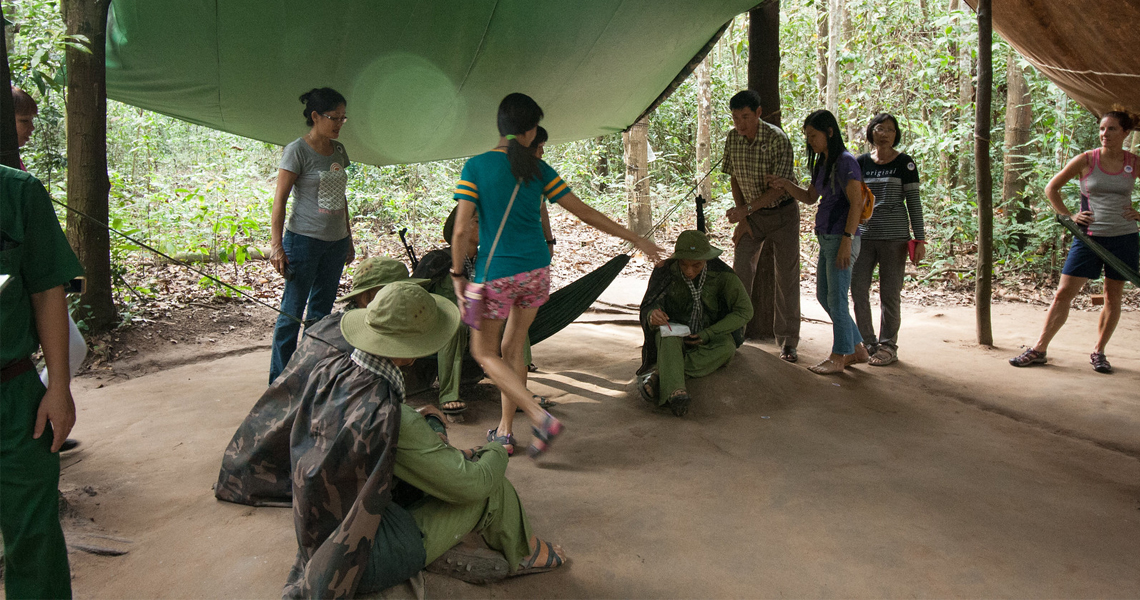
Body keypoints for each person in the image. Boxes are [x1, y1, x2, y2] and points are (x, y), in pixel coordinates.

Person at [283, 283, 565, 598]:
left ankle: (435, 548)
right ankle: (523, 552)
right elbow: (471, 483)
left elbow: (375, 440)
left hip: (319, 536)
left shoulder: (333, 372)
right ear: (411, 354)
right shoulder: (395, 417)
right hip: (361, 560)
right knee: (491, 487)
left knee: (444, 465)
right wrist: (495, 449)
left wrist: (425, 421)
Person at [450, 92, 663, 458]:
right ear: (531, 132)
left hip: (496, 274)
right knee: (513, 348)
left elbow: (459, 230)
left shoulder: (477, 167)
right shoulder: (539, 171)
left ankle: (535, 413)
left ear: (501, 127)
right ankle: (505, 429)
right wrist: (635, 237)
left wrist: (457, 275)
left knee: (484, 353)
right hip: (536, 272)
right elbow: (585, 213)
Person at [215, 257, 427, 506]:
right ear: (369, 298)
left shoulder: (330, 323)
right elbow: (367, 426)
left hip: (243, 463)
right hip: (265, 473)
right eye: (397, 292)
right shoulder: (357, 351)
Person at [1, 164, 83, 599]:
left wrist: (58, 388)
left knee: (33, 535)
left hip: (14, 396)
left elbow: (46, 290)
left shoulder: (16, 192)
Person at [1010, 109, 1139, 374]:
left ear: (1126, 133)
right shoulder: (1086, 160)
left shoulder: (1133, 162)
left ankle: (1099, 352)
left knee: (1112, 297)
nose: (1105, 134)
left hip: (1124, 237)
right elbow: (1051, 188)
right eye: (1102, 129)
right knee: (1063, 293)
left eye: (1112, 129)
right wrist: (1069, 216)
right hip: (1089, 238)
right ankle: (1039, 348)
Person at [768, 109, 871, 374]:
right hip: (826, 238)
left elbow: (856, 203)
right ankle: (857, 349)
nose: (810, 141)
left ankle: (839, 356)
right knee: (824, 296)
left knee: (836, 298)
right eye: (807, 136)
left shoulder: (847, 162)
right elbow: (811, 197)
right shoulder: (821, 163)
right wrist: (785, 184)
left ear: (829, 132)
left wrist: (847, 240)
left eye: (813, 135)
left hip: (841, 238)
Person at [13, 85, 86, 452]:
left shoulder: (18, 175)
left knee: (74, 345)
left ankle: (46, 414)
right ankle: (41, 421)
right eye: (23, 121)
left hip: (35, 278)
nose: (28, 129)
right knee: (72, 345)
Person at [268, 87, 355, 383]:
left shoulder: (339, 151)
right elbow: (279, 200)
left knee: (320, 314)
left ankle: (307, 376)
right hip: (303, 241)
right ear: (315, 116)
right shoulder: (297, 150)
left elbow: (341, 197)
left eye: (343, 118)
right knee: (292, 312)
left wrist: (348, 238)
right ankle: (279, 382)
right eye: (334, 117)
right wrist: (276, 246)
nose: (339, 123)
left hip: (335, 243)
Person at [637, 231, 753, 416]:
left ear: (706, 260)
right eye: (684, 264)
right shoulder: (665, 271)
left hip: (709, 334)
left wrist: (709, 334)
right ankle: (677, 393)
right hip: (674, 332)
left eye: (696, 265)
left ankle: (661, 373)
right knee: (667, 338)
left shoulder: (723, 275)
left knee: (726, 348)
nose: (689, 270)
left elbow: (744, 311)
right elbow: (649, 305)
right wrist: (653, 315)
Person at [721, 90, 800, 363]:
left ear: (758, 113)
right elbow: (733, 178)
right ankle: (733, 336)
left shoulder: (777, 139)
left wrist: (746, 210)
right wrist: (743, 218)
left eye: (745, 117)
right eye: (734, 118)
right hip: (751, 217)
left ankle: (789, 343)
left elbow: (779, 190)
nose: (740, 124)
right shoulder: (733, 138)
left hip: (783, 213)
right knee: (740, 271)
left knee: (786, 276)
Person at [850, 113, 927, 366]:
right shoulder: (860, 163)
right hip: (864, 237)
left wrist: (920, 239)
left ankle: (888, 346)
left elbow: (914, 203)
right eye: (880, 128)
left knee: (890, 293)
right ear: (871, 131)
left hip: (894, 239)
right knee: (858, 288)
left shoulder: (905, 164)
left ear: (896, 135)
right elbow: (853, 200)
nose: (884, 133)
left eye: (890, 130)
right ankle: (868, 342)